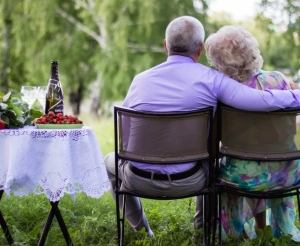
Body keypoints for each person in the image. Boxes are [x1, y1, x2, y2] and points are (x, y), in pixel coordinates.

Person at [104, 16, 300, 238]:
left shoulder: (139, 80)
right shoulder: (213, 80)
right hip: (192, 179)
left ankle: (142, 231)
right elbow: (261, 100)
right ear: (199, 49)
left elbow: (126, 143)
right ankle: (202, 227)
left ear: (165, 45)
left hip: (138, 179)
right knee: (211, 160)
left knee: (108, 162)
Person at [204, 25, 300, 241]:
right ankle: (263, 228)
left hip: (243, 178)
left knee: (243, 162)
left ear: (220, 62)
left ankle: (240, 231)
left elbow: (215, 141)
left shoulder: (223, 94)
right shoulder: (279, 80)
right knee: (259, 159)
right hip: (286, 172)